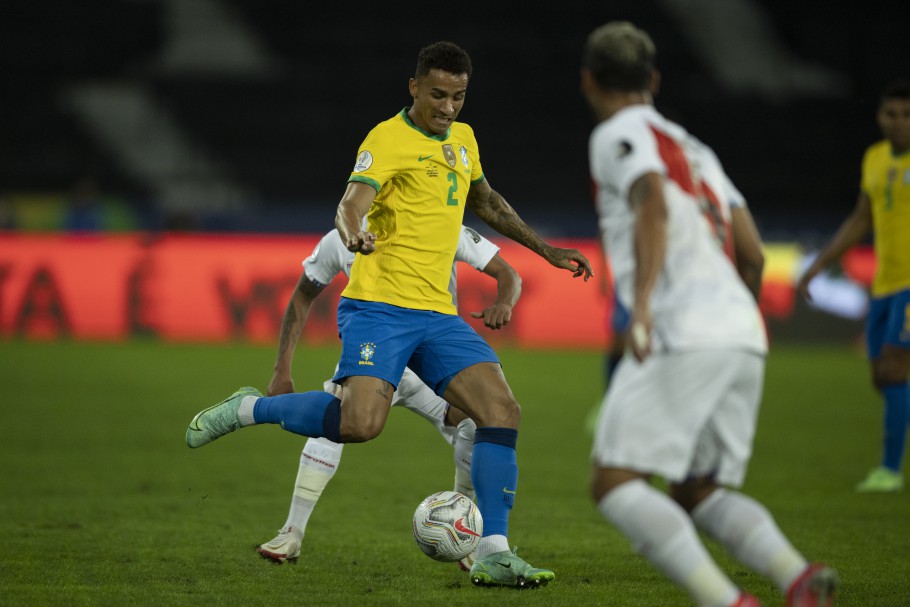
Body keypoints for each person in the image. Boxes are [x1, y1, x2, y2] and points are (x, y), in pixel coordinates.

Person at [186, 40, 593, 588]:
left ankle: (495, 552)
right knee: (359, 425)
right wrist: (354, 233)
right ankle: (249, 409)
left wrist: (546, 251)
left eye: (458, 97)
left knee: (501, 411)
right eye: (437, 95)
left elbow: (488, 202)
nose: (448, 107)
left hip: (437, 315)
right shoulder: (386, 138)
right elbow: (351, 203)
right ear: (414, 87)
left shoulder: (464, 141)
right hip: (379, 308)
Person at [581, 21, 837, 607]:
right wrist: (737, 319)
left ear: (588, 81)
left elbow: (650, 200)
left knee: (614, 481)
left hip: (684, 326)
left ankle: (727, 601)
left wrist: (644, 306)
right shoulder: (698, 150)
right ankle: (798, 577)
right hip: (741, 331)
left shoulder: (616, 133)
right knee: (698, 490)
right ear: (654, 80)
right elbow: (751, 253)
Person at [255, 224, 519, 569]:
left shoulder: (441, 223)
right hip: (371, 364)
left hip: (429, 365)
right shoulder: (341, 238)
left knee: (474, 423)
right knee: (333, 423)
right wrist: (281, 369)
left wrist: (504, 301)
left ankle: (465, 535)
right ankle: (292, 532)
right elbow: (303, 295)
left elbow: (508, 273)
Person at [797, 79, 910, 493]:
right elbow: (861, 218)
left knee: (895, 368)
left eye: (907, 115)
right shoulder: (875, 158)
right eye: (891, 114)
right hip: (884, 284)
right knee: (881, 376)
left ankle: (889, 471)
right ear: (879, 116)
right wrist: (820, 263)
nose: (898, 122)